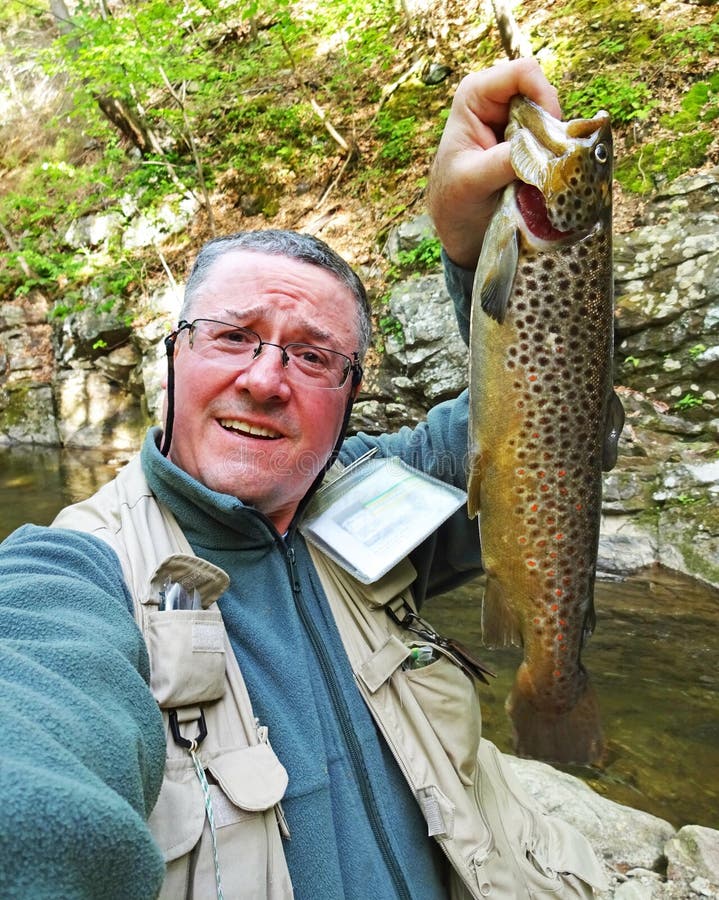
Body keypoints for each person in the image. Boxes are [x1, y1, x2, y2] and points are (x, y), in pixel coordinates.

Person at [0, 59, 604, 899]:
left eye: (314, 356)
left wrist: (475, 255)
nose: (264, 378)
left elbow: (562, 417)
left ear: (351, 392)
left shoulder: (380, 487)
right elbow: (27, 746)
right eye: (232, 335)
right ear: (174, 353)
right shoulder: (69, 574)